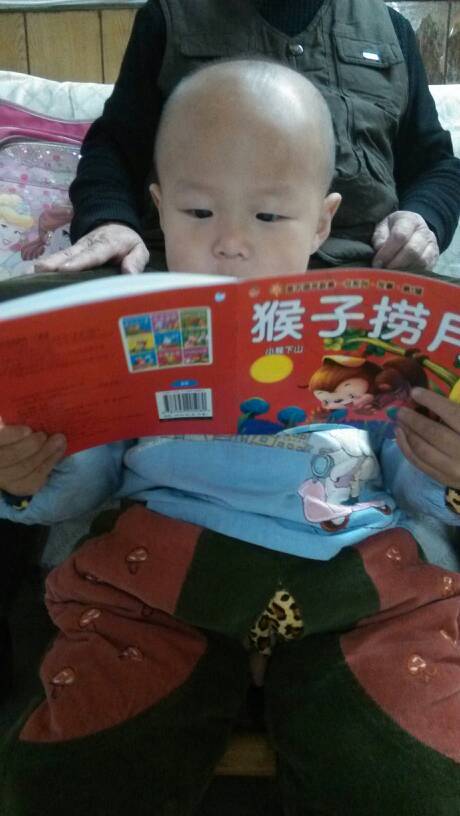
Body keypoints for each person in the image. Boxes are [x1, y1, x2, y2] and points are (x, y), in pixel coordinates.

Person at [1, 61, 460, 816]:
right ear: (158, 207)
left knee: (413, 771)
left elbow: (412, 485)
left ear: (322, 222)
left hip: (352, 570)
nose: (232, 243)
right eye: (199, 211)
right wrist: (25, 471)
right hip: (159, 575)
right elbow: (83, 487)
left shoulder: (359, 333)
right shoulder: (134, 329)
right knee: (76, 767)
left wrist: (446, 467)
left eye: (270, 216)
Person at [35, 0, 460, 278]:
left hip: (356, 290)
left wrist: (423, 220)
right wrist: (109, 221)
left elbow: (437, 165)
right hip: (186, 280)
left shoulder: (390, 30)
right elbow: (112, 148)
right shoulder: (168, 17)